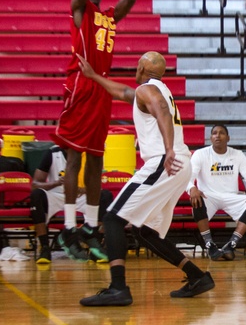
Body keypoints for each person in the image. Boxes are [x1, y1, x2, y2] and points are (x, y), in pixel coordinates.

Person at [76, 51, 214, 306]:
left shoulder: (149, 92)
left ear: (140, 67)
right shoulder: (155, 89)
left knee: (112, 217)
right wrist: (94, 76)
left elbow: (160, 109)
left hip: (165, 161)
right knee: (145, 232)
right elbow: (124, 93)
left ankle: (118, 288)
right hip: (178, 165)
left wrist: (169, 148)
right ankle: (197, 277)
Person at [52, 0, 138, 262]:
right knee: (74, 157)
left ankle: (89, 226)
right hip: (80, 83)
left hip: (101, 86)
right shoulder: (79, 10)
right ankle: (69, 227)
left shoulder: (108, 18)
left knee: (96, 158)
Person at [189, 124, 246, 261]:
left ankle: (231, 245)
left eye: (221, 133)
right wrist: (192, 188)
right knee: (196, 199)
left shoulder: (237, 155)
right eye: (214, 133)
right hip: (208, 196)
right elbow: (189, 177)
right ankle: (210, 245)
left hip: (231, 196)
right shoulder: (200, 154)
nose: (218, 135)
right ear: (210, 138)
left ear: (228, 138)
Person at [28, 147, 114, 264]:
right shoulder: (52, 153)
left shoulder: (89, 153)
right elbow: (35, 184)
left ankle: (94, 245)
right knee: (36, 195)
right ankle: (45, 248)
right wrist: (57, 182)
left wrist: (84, 189)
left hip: (82, 195)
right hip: (57, 194)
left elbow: (96, 182)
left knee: (105, 195)